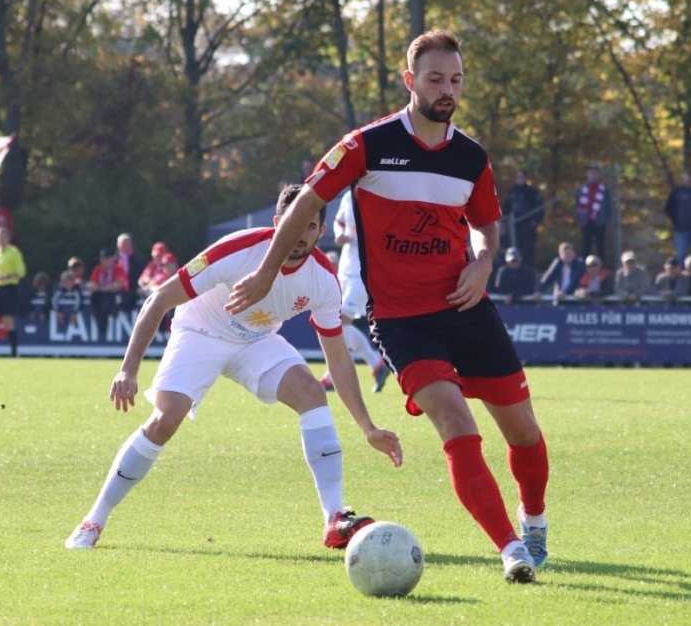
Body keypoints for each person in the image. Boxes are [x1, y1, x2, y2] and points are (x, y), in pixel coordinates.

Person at [225, 31, 548, 584]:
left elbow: (487, 222)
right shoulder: (366, 145)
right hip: (402, 320)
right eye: (435, 79)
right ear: (410, 81)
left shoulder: (471, 156)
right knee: (454, 420)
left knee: (522, 431)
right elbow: (308, 198)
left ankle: (534, 520)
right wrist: (264, 271)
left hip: (467, 309)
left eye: (455, 80)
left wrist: (485, 259)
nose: (447, 90)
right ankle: (511, 548)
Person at [65, 184, 402, 552]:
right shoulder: (238, 250)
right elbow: (159, 298)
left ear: (322, 232)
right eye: (293, 223)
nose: (300, 234)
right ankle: (94, 519)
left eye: (310, 226)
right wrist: (128, 370)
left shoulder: (323, 278)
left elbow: (337, 357)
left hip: (255, 340)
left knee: (311, 391)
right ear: (277, 222)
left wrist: (367, 427)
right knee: (166, 419)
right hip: (201, 332)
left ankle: (335, 519)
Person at [319, 189, 391, 394]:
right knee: (338, 320)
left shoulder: (383, 195)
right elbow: (340, 222)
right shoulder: (349, 197)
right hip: (345, 269)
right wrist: (340, 234)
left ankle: (331, 377)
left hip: (366, 271)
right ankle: (377, 365)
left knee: (340, 320)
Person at [0, 227, 26, 357]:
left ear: (8, 238)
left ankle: (14, 352)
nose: (0, 239)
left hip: (9, 288)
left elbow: (21, 272)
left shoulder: (14, 252)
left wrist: (8, 276)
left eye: (3, 236)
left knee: (9, 320)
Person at [664, 170, 691, 264]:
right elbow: (668, 208)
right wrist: (676, 221)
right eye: (688, 180)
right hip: (680, 230)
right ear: (684, 180)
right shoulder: (677, 193)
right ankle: (681, 276)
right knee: (680, 255)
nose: (690, 182)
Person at [500, 170, 545, 265]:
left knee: (528, 252)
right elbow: (506, 208)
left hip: (528, 227)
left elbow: (539, 208)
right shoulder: (512, 192)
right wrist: (503, 223)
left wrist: (535, 221)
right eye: (517, 177)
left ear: (525, 178)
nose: (519, 179)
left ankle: (528, 273)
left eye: (521, 177)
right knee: (515, 250)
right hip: (514, 228)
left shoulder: (532, 192)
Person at [85, 247, 129, 339]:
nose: (104, 261)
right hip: (101, 297)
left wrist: (99, 288)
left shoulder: (118, 268)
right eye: (102, 258)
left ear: (112, 258)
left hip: (117, 296)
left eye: (107, 258)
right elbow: (92, 285)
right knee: (95, 300)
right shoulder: (98, 269)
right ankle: (102, 331)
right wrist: (96, 288)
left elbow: (117, 286)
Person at [574, 163, 612, 263]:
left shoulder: (604, 189)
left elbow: (608, 205)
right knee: (586, 246)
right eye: (591, 173)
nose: (593, 175)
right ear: (587, 174)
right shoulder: (582, 188)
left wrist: (604, 219)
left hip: (599, 222)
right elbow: (577, 205)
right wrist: (581, 218)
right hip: (586, 221)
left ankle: (601, 269)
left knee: (600, 246)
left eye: (595, 173)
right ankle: (585, 270)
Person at [116, 233, 145, 308]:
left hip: (133, 288)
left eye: (127, 243)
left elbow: (141, 275)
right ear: (118, 245)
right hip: (116, 288)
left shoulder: (137, 260)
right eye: (123, 243)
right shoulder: (114, 260)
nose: (125, 245)